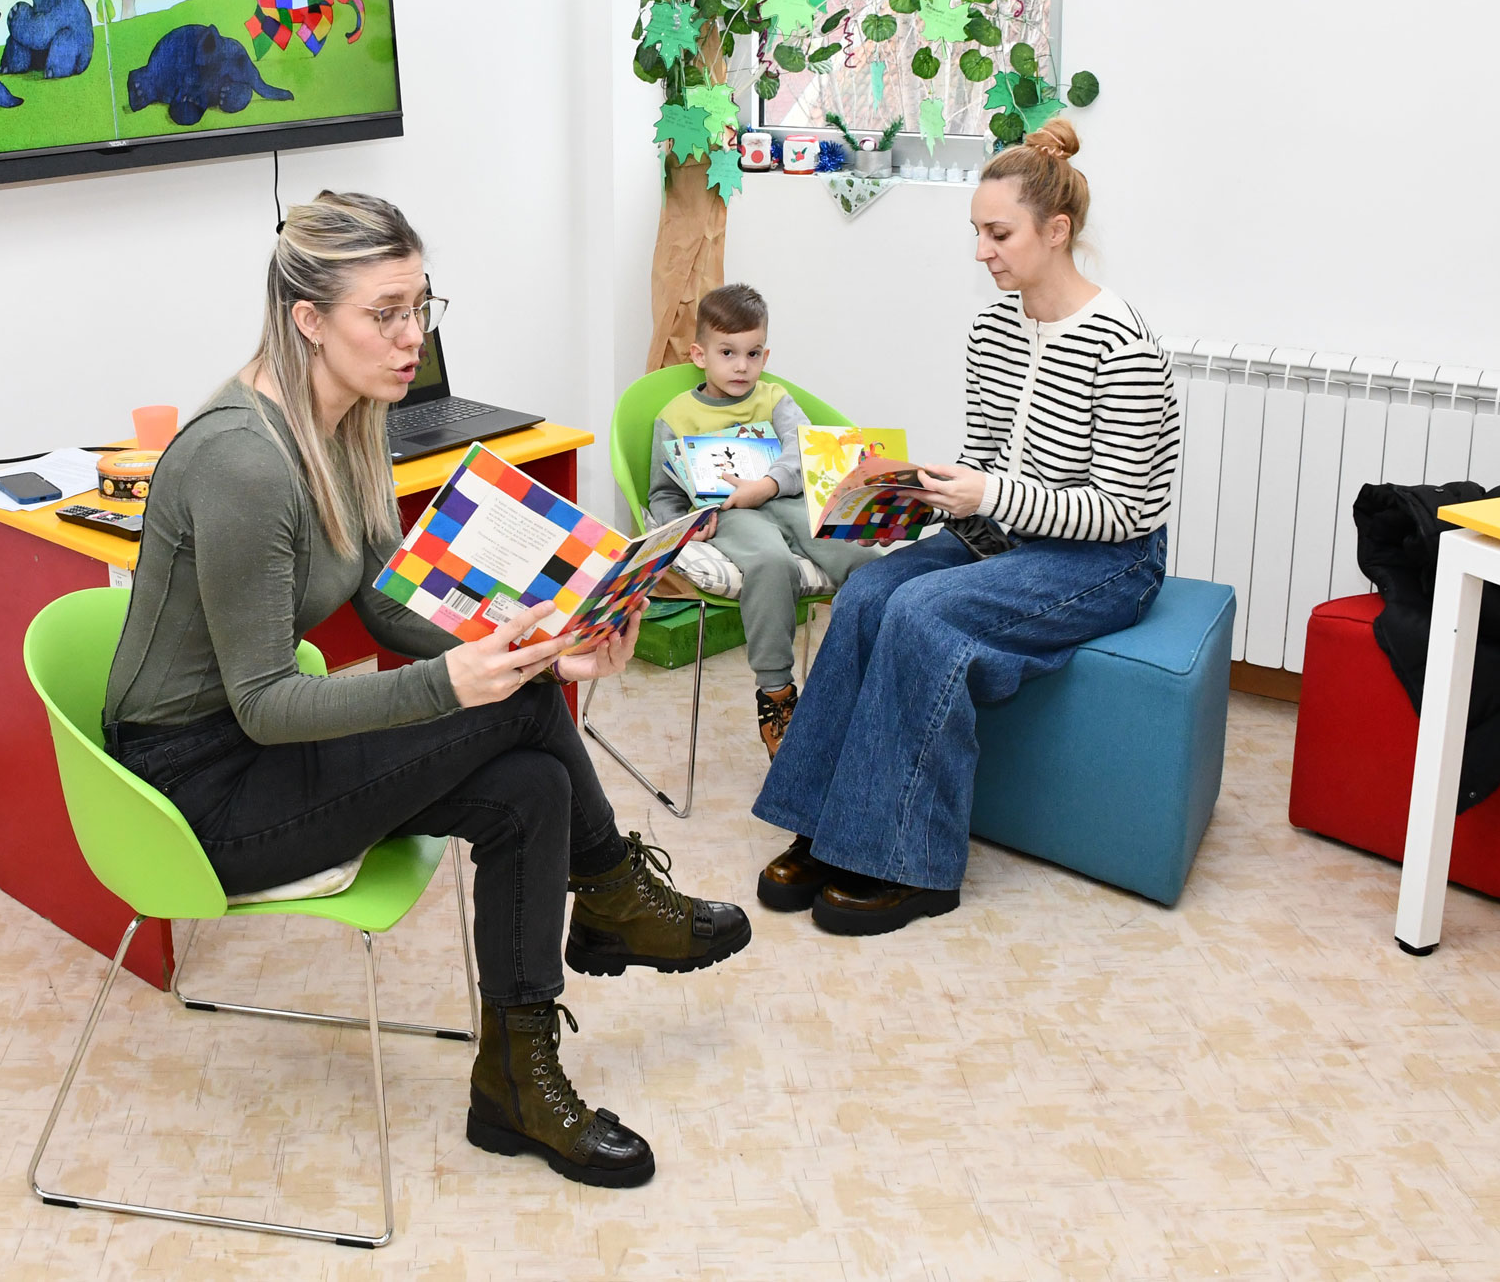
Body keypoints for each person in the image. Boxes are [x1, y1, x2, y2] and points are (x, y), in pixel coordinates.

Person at [105, 190, 750, 1189]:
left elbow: (383, 603)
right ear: (308, 319)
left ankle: (515, 1082)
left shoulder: (348, 420)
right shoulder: (241, 461)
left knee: (530, 783)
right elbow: (264, 701)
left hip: (257, 753)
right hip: (193, 792)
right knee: (509, 703)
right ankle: (612, 889)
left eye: (420, 307)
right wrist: (466, 678)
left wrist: (548, 645)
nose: (413, 338)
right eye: (386, 314)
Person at [750, 120, 1179, 936]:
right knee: (869, 590)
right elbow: (985, 465)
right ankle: (826, 823)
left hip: (1109, 558)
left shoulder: (1123, 345)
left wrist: (987, 493)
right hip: (1005, 533)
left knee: (923, 612)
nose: (981, 251)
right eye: (976, 231)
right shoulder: (993, 331)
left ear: (1057, 231)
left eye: (998, 233)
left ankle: (914, 863)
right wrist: (918, 492)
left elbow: (1121, 510)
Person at [643, 283, 878, 757]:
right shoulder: (676, 416)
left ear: (765, 355)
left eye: (753, 354)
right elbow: (662, 495)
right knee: (772, 564)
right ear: (699, 354)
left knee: (865, 561)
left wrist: (768, 485)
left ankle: (873, 678)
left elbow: (804, 452)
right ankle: (776, 693)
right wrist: (689, 526)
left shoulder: (775, 399)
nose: (741, 366)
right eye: (727, 353)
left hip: (791, 501)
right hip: (731, 514)